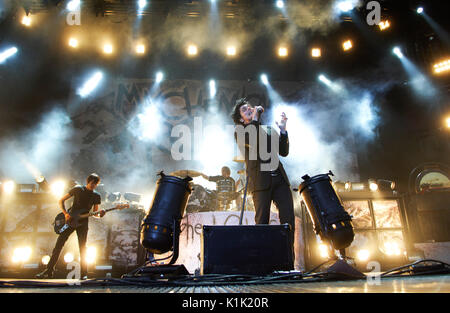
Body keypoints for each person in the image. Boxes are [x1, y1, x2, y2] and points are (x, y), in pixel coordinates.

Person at [231, 98, 295, 250]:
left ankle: (288, 261)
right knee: (262, 222)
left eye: (249, 107)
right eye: (244, 110)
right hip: (260, 182)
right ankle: (263, 262)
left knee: (288, 221)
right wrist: (255, 119)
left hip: (279, 179)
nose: (249, 109)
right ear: (241, 118)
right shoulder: (240, 132)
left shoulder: (266, 130)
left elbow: (283, 152)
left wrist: (283, 131)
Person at [36, 173, 105, 280]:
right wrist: (66, 214)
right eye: (92, 183)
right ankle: (49, 270)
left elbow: (95, 214)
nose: (93, 186)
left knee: (83, 248)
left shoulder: (96, 196)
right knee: (58, 246)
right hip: (70, 220)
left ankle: (84, 273)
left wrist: (100, 214)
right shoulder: (78, 189)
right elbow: (61, 200)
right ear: (88, 182)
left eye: (95, 184)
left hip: (83, 223)